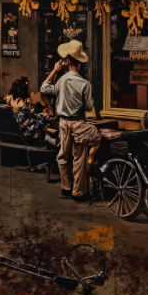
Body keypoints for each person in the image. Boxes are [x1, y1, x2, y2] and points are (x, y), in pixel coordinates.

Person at [49, 39, 99, 198]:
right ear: (79, 63)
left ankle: (66, 187)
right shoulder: (85, 84)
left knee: (63, 156)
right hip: (78, 123)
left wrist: (55, 71)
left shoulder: (61, 80)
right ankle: (78, 192)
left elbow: (45, 88)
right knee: (79, 156)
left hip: (63, 123)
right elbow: (90, 107)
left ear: (67, 62)